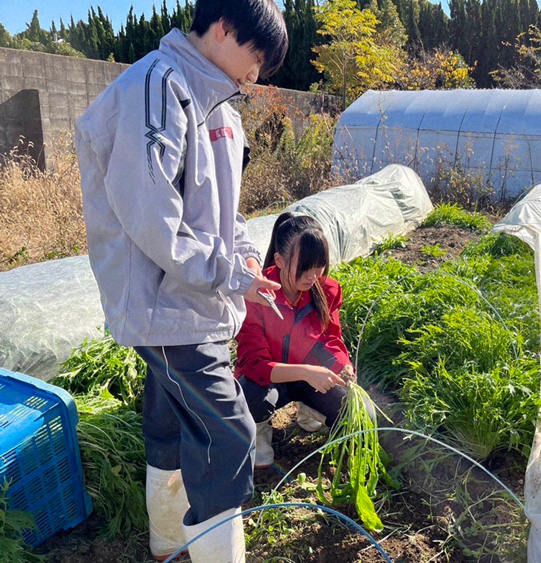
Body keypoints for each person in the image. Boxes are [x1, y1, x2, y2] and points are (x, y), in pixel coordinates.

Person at [74, 1, 288, 561]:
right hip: (164, 306)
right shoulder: (156, 86)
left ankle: (167, 541)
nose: (256, 73)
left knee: (172, 418)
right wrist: (227, 274)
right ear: (222, 28)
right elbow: (153, 219)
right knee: (229, 433)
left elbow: (229, 215)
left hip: (195, 303)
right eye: (256, 55)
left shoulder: (221, 107)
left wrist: (242, 264)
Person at [235, 213, 363, 468]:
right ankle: (258, 432)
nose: (313, 275)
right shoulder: (257, 294)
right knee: (250, 397)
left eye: (319, 265)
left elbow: (330, 338)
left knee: (357, 410)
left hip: (309, 378)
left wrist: (342, 366)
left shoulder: (327, 291)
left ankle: (310, 410)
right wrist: (307, 372)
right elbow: (255, 365)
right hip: (268, 382)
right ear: (280, 261)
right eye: (305, 266)